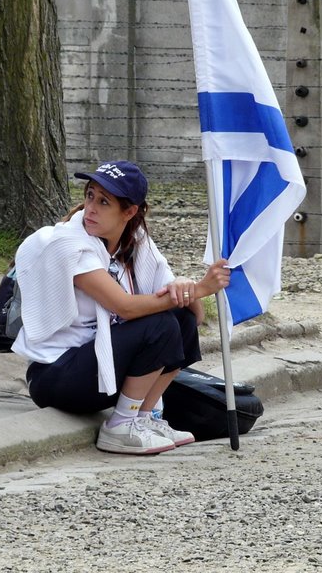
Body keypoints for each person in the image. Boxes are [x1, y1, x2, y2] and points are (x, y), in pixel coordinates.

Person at [12, 160, 231, 455]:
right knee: (160, 324)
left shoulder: (137, 244)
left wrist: (183, 286)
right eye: (90, 195)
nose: (90, 208)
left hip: (98, 370)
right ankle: (121, 425)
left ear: (129, 213)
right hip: (55, 377)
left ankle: (143, 418)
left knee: (179, 320)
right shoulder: (71, 243)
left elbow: (196, 316)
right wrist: (201, 288)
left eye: (104, 202)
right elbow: (125, 307)